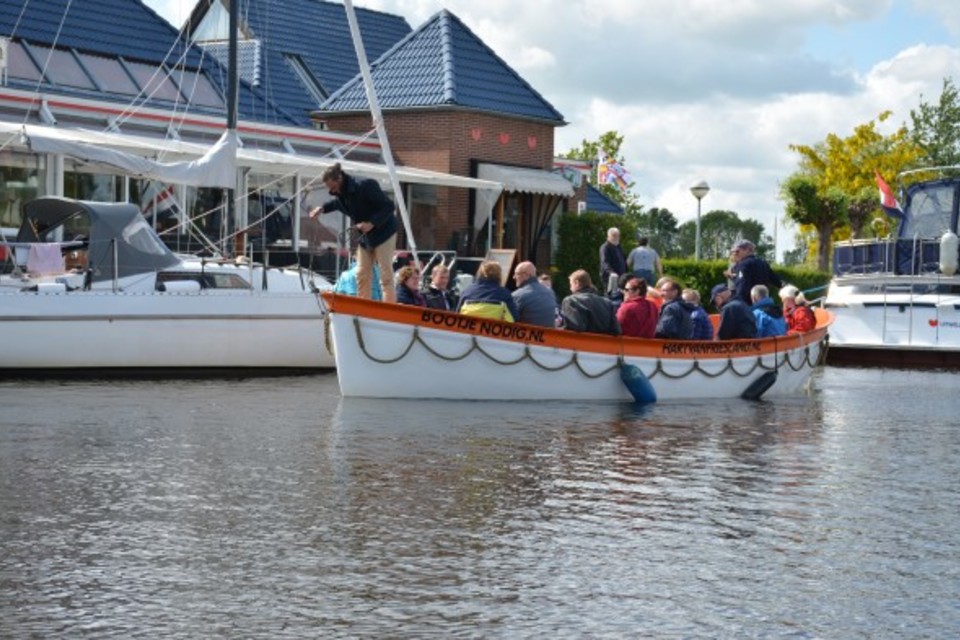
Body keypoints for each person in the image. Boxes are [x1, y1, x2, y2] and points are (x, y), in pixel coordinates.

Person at [309, 163, 398, 302]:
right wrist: (322, 209)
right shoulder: (341, 193)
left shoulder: (366, 185)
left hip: (384, 233)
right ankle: (363, 308)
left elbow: (389, 206)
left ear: (339, 179)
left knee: (385, 276)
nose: (332, 191)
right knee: (361, 273)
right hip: (366, 237)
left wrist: (372, 223)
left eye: (333, 187)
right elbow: (336, 204)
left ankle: (390, 309)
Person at [561, 269, 620, 335]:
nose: (570, 289)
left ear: (576, 283)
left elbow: (575, 328)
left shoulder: (571, 301)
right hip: (604, 344)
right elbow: (616, 330)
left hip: (581, 344)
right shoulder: (607, 303)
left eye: (571, 285)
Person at [730, 239, 781, 306]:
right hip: (764, 303)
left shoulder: (743, 265)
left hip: (749, 306)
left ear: (747, 250)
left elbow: (742, 288)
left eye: (737, 251)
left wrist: (736, 304)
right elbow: (777, 281)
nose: (735, 254)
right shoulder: (763, 263)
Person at [511, 261, 558, 327]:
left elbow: (509, 321)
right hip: (548, 335)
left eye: (517, 274)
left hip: (527, 335)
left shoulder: (517, 296)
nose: (514, 277)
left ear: (527, 275)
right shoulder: (550, 293)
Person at [599, 227, 627, 295]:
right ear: (608, 236)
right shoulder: (605, 247)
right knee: (611, 295)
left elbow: (623, 260)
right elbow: (605, 262)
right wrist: (611, 272)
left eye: (617, 236)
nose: (616, 238)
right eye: (614, 235)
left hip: (620, 277)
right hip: (610, 277)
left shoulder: (618, 247)